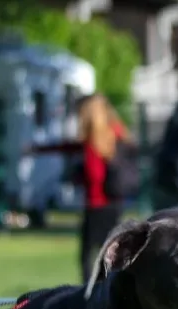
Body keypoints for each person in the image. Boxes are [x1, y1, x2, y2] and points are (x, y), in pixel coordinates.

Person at [31, 94, 134, 284]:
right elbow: (69, 147)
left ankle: (92, 292)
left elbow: (94, 176)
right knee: (110, 253)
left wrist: (76, 176)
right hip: (115, 203)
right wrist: (40, 149)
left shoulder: (95, 142)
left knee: (88, 256)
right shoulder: (116, 133)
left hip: (97, 204)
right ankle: (108, 288)